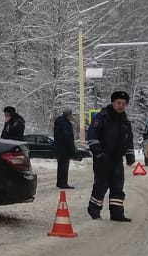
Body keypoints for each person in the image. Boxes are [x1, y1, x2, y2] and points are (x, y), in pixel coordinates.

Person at [86, 90, 136, 221]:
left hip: (117, 159)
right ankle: (94, 210)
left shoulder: (125, 122)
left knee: (117, 186)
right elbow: (92, 134)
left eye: (124, 104)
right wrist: (98, 152)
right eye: (119, 103)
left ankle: (117, 213)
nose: (121, 106)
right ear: (113, 103)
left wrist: (130, 156)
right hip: (103, 157)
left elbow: (129, 139)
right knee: (101, 185)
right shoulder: (102, 117)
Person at [52, 109, 76, 190]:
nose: (72, 116)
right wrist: (71, 148)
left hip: (60, 148)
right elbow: (67, 137)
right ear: (68, 115)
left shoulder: (60, 122)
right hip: (64, 149)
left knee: (61, 166)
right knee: (64, 167)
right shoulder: (65, 124)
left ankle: (60, 183)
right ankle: (63, 183)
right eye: (71, 115)